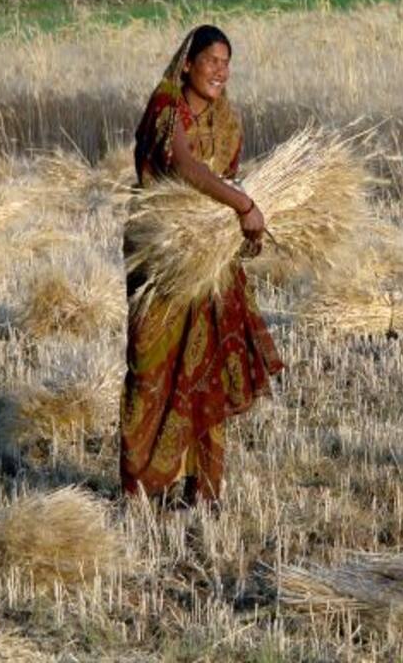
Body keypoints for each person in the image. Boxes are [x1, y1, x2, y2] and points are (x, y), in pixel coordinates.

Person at [121, 25, 284, 507]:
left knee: (206, 367)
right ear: (187, 63)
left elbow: (226, 179)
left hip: (210, 261)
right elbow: (182, 163)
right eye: (212, 60)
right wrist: (242, 203)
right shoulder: (165, 108)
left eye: (227, 63)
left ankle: (204, 493)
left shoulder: (227, 120)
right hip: (162, 259)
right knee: (151, 369)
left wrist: (243, 229)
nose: (220, 71)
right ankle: (141, 490)